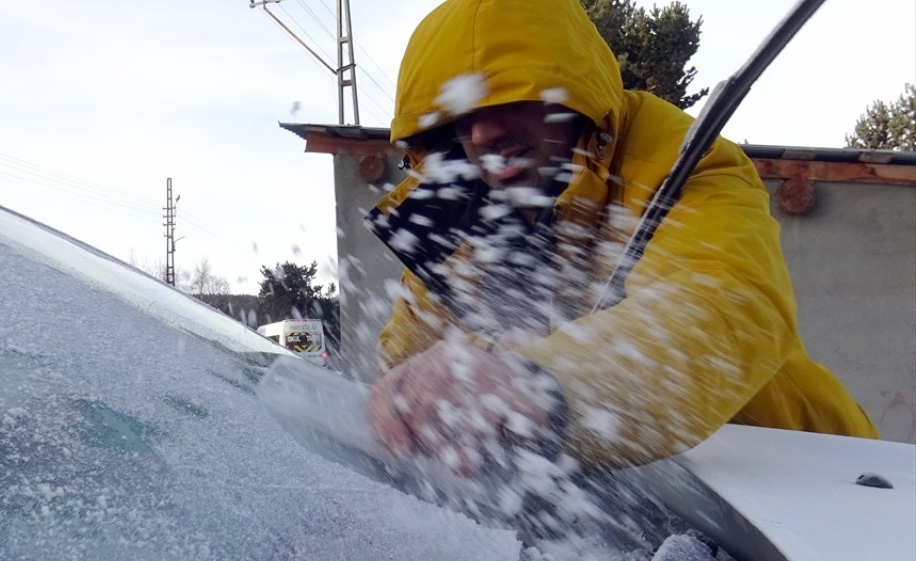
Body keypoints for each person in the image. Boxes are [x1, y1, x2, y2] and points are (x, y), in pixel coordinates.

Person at [364, 0, 876, 475]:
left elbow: (720, 307)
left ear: (571, 88)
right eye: (458, 119)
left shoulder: (680, 162)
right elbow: (408, 370)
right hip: (650, 492)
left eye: (510, 96)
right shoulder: (454, 219)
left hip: (811, 485)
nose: (481, 136)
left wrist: (529, 385)